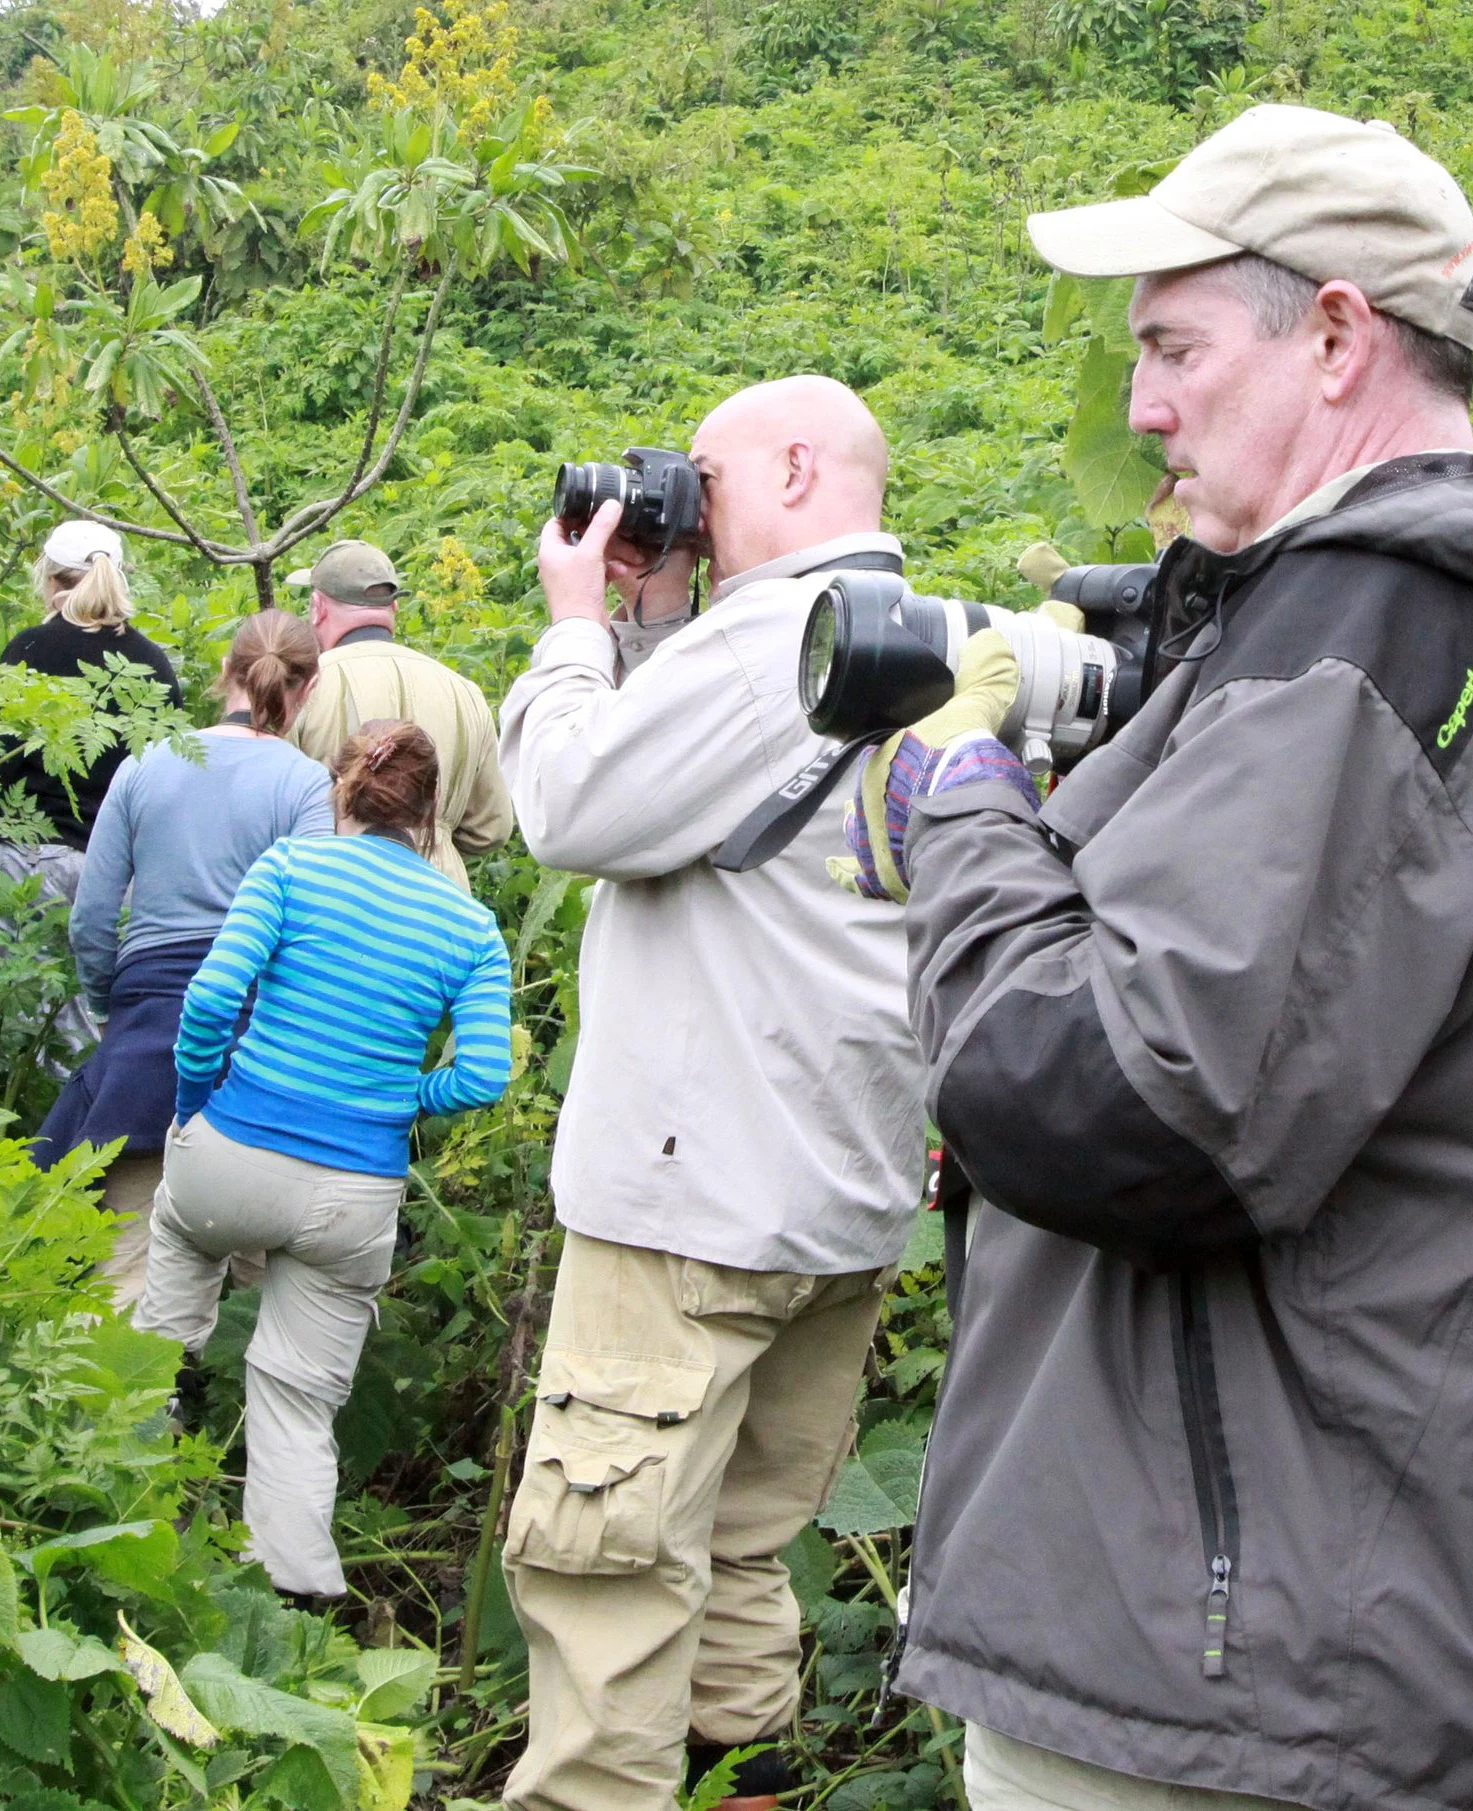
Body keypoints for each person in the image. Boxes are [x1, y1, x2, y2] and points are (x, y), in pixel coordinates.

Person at [860, 106, 1473, 1811]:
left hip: (1255, 1672)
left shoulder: (1379, 636)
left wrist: (959, 799)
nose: (1141, 406)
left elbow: (1115, 1103)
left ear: (1333, 335)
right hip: (1453, 1622)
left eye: (1173, 348)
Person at [495, 376, 927, 1811]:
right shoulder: (911, 641)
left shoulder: (773, 650)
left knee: (605, 1566)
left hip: (690, 1205)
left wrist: (575, 621)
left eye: (702, 474)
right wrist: (658, 617)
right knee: (741, 1549)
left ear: (797, 465)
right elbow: (735, 811)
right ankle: (748, 1778)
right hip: (834, 1202)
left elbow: (569, 804)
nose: (680, 497)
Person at [132, 721, 514, 1604]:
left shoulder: (290, 869)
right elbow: (486, 1075)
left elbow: (214, 995)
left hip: (232, 1152)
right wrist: (402, 1100)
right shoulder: (470, 927)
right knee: (299, 1397)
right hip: (354, 1191)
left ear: (342, 790)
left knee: (175, 1261)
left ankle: (156, 1438)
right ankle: (297, 1591)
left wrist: (194, 1105)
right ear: (431, 816)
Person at [32, 610, 333, 1306]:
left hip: (145, 1049)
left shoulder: (145, 767)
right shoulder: (306, 786)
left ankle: (133, 1411)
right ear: (308, 687)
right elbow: (314, 931)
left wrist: (112, 1007)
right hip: (258, 1052)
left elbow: (92, 919)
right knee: (265, 1288)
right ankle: (235, 1409)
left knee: (127, 1282)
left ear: (222, 672)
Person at [0, 521, 184, 1053]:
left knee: (10, 1032)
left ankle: (24, 1130)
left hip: (21, 868)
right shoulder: (154, 665)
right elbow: (166, 791)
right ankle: (87, 1133)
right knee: (94, 1035)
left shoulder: (29, 650)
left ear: (48, 580)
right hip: (113, 874)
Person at [285, 538, 515, 890]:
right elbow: (491, 829)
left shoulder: (305, 686)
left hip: (335, 890)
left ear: (317, 608)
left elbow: (272, 807)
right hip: (441, 898)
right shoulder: (463, 691)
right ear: (393, 607)